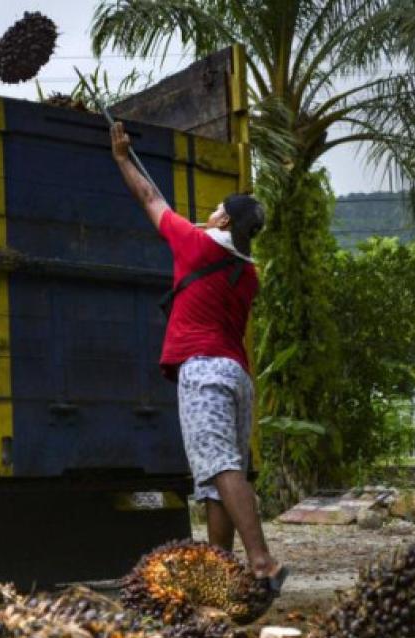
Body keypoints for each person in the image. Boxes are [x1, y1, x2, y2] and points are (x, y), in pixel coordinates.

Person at [110, 121, 287, 593]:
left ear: (225, 222)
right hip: (237, 375)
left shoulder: (195, 243)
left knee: (220, 466)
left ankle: (261, 562)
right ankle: (220, 577)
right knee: (213, 480)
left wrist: (123, 157)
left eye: (215, 211)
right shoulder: (248, 274)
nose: (207, 214)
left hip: (204, 369)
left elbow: (151, 200)